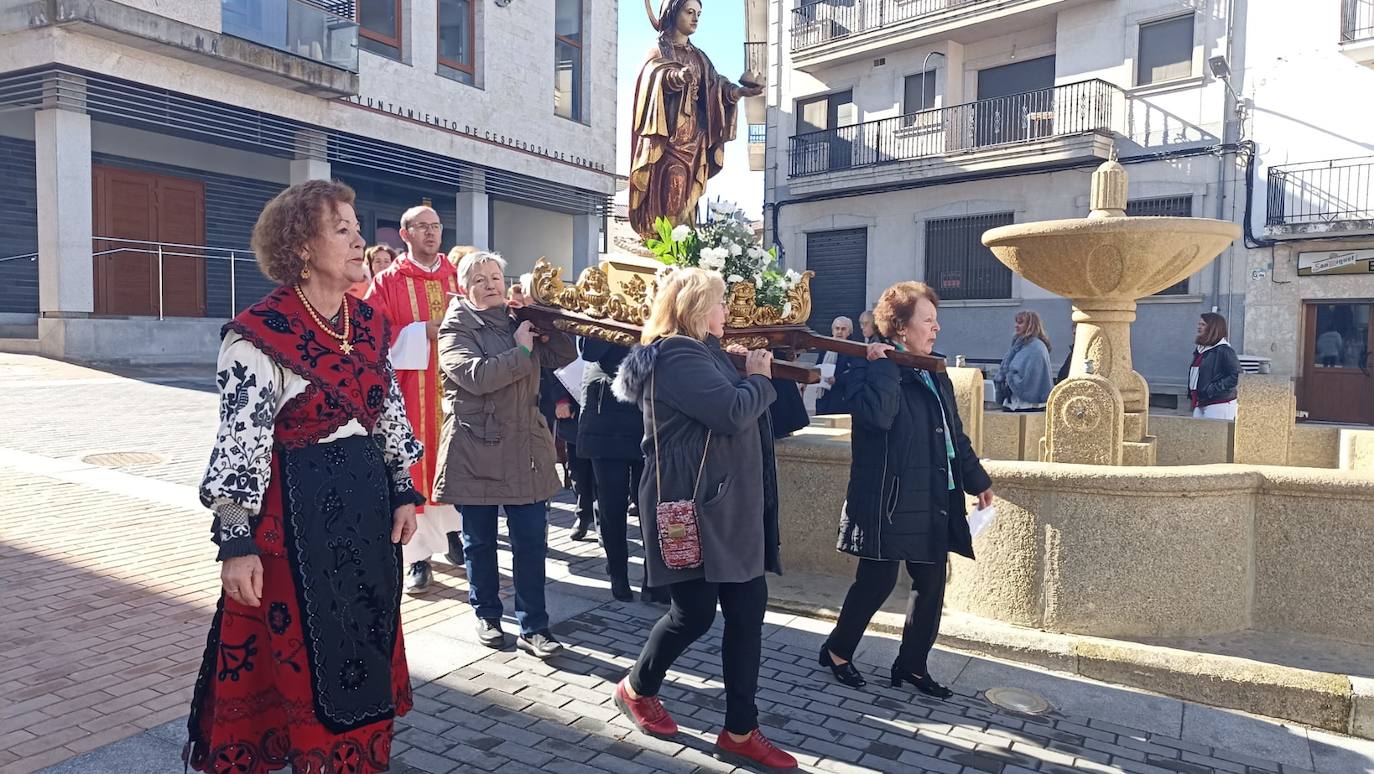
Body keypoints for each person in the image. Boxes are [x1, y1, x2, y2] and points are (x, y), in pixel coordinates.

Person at [186, 180, 423, 773]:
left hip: (366, 525)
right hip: (293, 532)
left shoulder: (368, 322)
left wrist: (401, 489)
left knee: (360, 651)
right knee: (297, 667)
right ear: (300, 246)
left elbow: (388, 410)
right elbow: (240, 441)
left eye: (355, 227)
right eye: (340, 229)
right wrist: (235, 543)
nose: (359, 240)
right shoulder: (258, 335)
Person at [609, 267, 798, 772]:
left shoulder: (704, 352)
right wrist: (759, 377)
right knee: (692, 614)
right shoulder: (677, 354)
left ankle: (740, 729)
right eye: (718, 303)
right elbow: (732, 412)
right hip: (695, 507)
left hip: (725, 506)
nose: (726, 313)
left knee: (746, 609)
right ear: (695, 308)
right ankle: (636, 688)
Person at [820, 281, 994, 700]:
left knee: (931, 585)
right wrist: (883, 365)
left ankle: (912, 665)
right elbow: (878, 418)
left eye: (936, 320)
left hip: (934, 493)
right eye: (927, 321)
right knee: (876, 583)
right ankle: (837, 651)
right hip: (888, 497)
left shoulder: (934, 370)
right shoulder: (865, 364)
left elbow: (953, 434)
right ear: (900, 327)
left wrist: (976, 479)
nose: (936, 329)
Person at [434, 251, 576, 658]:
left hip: (524, 446)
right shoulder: (456, 327)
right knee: (479, 541)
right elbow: (475, 377)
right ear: (465, 288)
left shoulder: (518, 321)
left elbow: (563, 358)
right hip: (474, 444)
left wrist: (550, 324)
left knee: (531, 540)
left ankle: (535, 625)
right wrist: (521, 352)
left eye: (496, 276)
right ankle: (488, 615)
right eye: (480, 279)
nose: (491, 284)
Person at [366, 206, 465, 593]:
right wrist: (421, 331)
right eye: (421, 227)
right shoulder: (388, 282)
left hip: (457, 390)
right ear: (404, 234)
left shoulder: (457, 277)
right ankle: (418, 557)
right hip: (409, 393)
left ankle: (455, 534)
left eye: (435, 226)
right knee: (415, 465)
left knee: (455, 461)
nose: (431, 233)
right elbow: (371, 339)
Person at [627, 0, 764, 238]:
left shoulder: (700, 57)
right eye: (689, 12)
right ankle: (667, 248)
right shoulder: (659, 51)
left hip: (696, 141)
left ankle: (684, 251)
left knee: (688, 204)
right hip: (668, 143)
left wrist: (740, 92)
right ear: (672, 12)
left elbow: (716, 86)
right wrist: (674, 77)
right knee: (673, 189)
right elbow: (653, 76)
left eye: (698, 13)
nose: (695, 18)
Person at [578, 337, 662, 603]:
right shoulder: (602, 305)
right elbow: (590, 351)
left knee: (650, 504)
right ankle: (618, 573)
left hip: (648, 418)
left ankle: (653, 579)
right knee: (611, 505)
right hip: (607, 418)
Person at [540, 366, 597, 541]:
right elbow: (552, 367)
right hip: (572, 411)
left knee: (602, 473)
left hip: (601, 408)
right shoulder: (566, 339)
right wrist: (560, 399)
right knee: (578, 472)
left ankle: (603, 520)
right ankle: (583, 515)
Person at [993, 311, 1054, 412]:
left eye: (1020, 323)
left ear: (1031, 325)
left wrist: (1010, 377)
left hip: (1028, 405)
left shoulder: (1036, 347)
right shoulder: (1019, 345)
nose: (1016, 326)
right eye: (1016, 322)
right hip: (1014, 402)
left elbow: (1032, 377)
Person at [1189, 312, 1241, 420]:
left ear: (1212, 328)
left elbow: (1236, 375)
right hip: (1201, 402)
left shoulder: (1224, 350)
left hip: (1219, 403)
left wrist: (1212, 389)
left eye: (1203, 324)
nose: (1199, 327)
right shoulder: (1201, 350)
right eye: (1199, 324)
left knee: (1214, 435)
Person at [815, 316, 862, 415]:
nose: (839, 332)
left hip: (841, 399)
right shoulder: (825, 348)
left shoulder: (853, 350)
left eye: (843, 329)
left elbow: (855, 374)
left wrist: (837, 379)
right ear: (832, 331)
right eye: (837, 328)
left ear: (849, 333)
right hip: (823, 396)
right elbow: (817, 367)